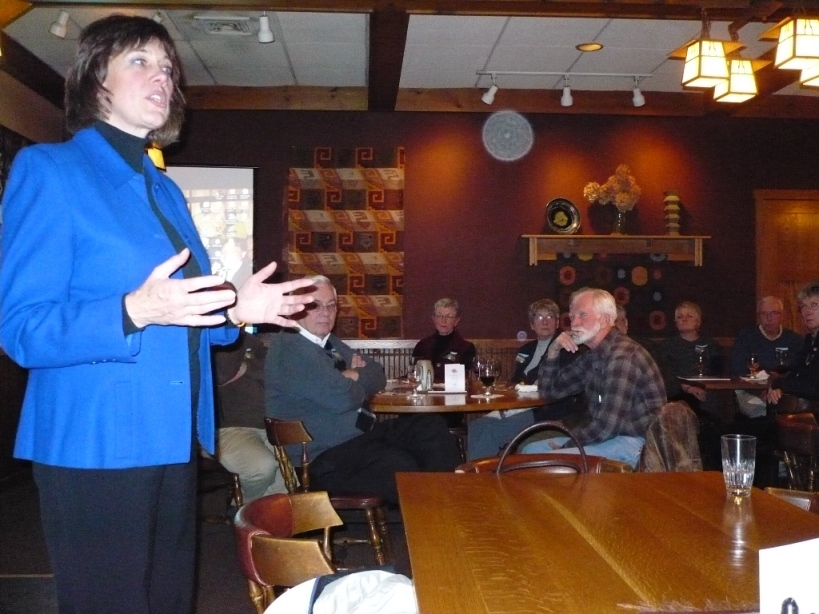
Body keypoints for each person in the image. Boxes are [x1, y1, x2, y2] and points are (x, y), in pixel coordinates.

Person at [0, 15, 314, 614]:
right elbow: (21, 329)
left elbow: (186, 311)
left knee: (168, 600)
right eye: (141, 61)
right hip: (92, 442)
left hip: (170, 436)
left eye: (168, 67)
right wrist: (132, 309)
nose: (162, 76)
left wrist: (239, 311)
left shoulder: (162, 187)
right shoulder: (50, 170)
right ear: (96, 80)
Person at [265, 276, 461, 505]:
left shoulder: (328, 342)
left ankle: (452, 504)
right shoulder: (292, 347)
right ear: (294, 309)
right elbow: (342, 398)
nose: (325, 312)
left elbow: (377, 373)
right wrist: (350, 380)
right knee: (400, 464)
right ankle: (438, 512)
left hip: (361, 436)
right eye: (315, 305)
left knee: (429, 426)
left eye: (331, 305)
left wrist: (351, 376)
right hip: (322, 459)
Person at [520, 288, 666, 468]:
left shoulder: (623, 356)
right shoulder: (593, 356)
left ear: (604, 319)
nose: (574, 323)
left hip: (637, 446)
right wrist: (553, 352)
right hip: (611, 437)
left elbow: (606, 427)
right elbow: (549, 391)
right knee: (530, 450)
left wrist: (567, 446)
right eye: (572, 317)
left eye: (582, 315)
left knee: (539, 459)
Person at [467, 299, 581, 460]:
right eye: (540, 318)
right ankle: (476, 472)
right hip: (518, 405)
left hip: (543, 411)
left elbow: (547, 384)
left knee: (490, 431)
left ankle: (480, 480)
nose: (545, 321)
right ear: (532, 325)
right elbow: (515, 381)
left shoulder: (566, 350)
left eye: (550, 317)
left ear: (557, 323)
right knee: (476, 426)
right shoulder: (526, 350)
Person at [212, 333, 285, 503]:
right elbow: (223, 373)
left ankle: (260, 520)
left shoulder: (265, 342)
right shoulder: (222, 337)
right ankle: (242, 508)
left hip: (271, 425)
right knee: (262, 468)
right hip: (228, 428)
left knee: (285, 491)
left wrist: (248, 368)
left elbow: (280, 378)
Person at [730, 296, 802, 418]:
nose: (769, 319)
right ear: (758, 316)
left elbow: (799, 370)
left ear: (782, 316)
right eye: (764, 314)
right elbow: (737, 370)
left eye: (774, 313)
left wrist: (780, 388)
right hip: (750, 392)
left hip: (784, 392)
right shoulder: (746, 337)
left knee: (791, 413)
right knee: (764, 414)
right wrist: (760, 391)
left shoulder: (795, 340)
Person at [658, 301, 723, 422]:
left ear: (698, 322)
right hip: (677, 394)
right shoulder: (667, 346)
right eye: (680, 317)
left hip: (707, 392)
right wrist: (687, 388)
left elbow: (718, 372)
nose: (684, 319)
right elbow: (665, 375)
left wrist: (702, 388)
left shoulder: (711, 345)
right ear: (676, 323)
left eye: (689, 316)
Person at [768, 282, 819, 406]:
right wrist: (777, 388)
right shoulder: (809, 340)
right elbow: (796, 375)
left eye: (814, 305)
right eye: (803, 307)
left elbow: (814, 388)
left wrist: (778, 384)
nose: (807, 312)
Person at [411, 298, 476, 383]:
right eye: (439, 316)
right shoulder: (422, 345)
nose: (443, 320)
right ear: (434, 319)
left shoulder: (466, 348)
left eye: (448, 316)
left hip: (454, 394)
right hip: (425, 393)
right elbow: (413, 372)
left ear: (456, 321)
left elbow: (465, 378)